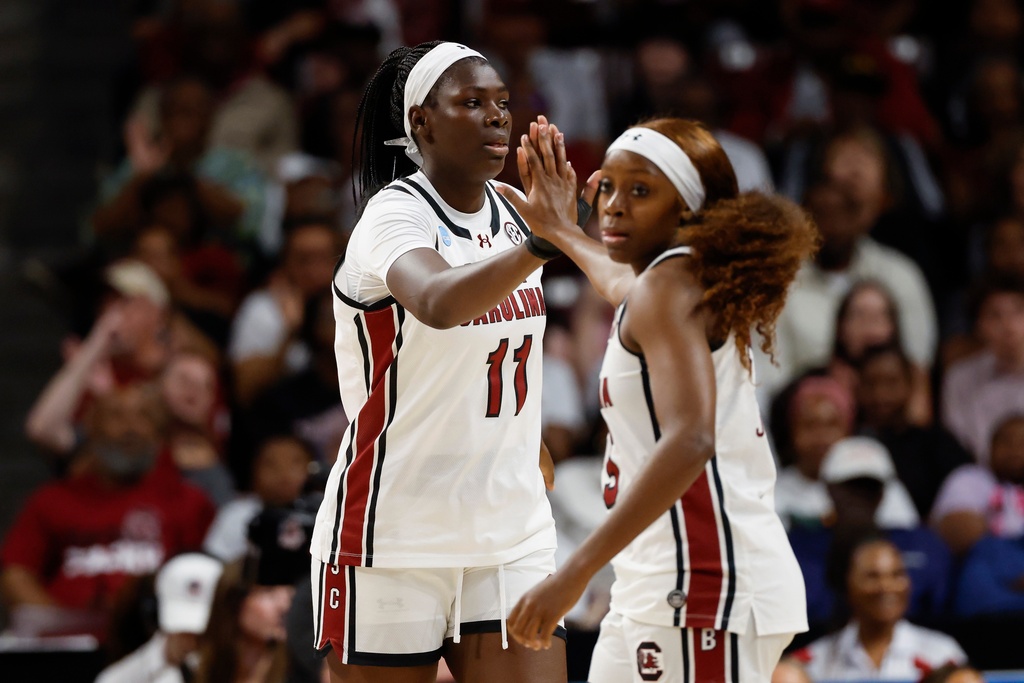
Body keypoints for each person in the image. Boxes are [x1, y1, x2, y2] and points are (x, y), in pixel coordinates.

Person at [499, 117, 816, 681]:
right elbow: (619, 285)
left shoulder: (671, 285)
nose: (615, 205)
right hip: (661, 585)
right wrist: (559, 231)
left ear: (687, 210)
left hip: (702, 586)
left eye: (641, 190)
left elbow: (692, 438)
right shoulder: (671, 282)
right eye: (609, 186)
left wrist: (574, 572)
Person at [308, 41, 580, 683]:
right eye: (472, 102)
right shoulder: (393, 214)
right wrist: (543, 243)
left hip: (509, 526)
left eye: (503, 103)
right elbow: (437, 302)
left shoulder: (517, 211)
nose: (496, 117)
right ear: (421, 122)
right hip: (395, 530)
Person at [794, 535, 967, 680]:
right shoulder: (814, 662)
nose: (886, 587)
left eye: (897, 574)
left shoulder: (943, 656)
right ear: (846, 584)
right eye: (872, 576)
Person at [95, 553, 224, 683]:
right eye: (182, 630)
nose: (192, 642)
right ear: (155, 616)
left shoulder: (235, 673)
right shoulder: (116, 679)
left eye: (202, 634)